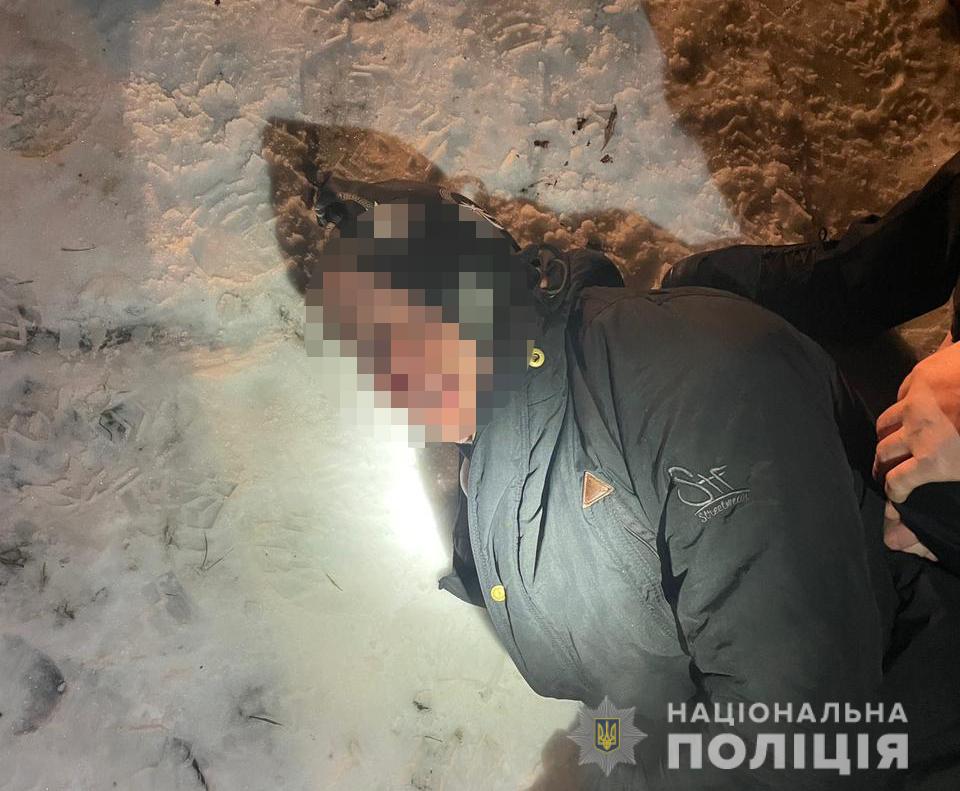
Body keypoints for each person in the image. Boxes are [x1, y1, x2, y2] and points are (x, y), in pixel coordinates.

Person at [298, 151, 960, 790]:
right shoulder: (493, 469)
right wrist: (607, 759)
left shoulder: (683, 373)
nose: (390, 382)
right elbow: (617, 701)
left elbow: (801, 733)